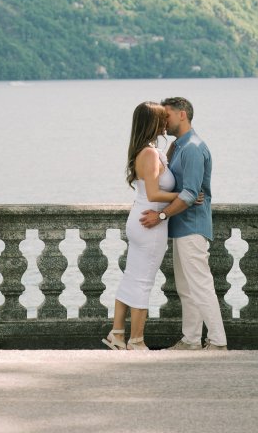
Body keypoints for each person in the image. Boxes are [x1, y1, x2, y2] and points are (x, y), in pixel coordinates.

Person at [140, 96, 227, 352]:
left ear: (182, 114)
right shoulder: (179, 146)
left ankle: (218, 342)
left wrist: (161, 216)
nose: (163, 121)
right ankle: (191, 340)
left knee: (200, 286)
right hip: (181, 227)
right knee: (186, 288)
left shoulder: (192, 148)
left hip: (192, 226)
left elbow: (190, 194)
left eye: (166, 116)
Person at [104, 102, 178, 351]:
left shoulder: (147, 151)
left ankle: (117, 334)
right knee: (143, 281)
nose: (166, 122)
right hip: (150, 222)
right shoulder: (149, 154)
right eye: (162, 118)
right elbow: (155, 193)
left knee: (132, 277)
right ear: (153, 123)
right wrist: (185, 196)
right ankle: (136, 341)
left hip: (141, 218)